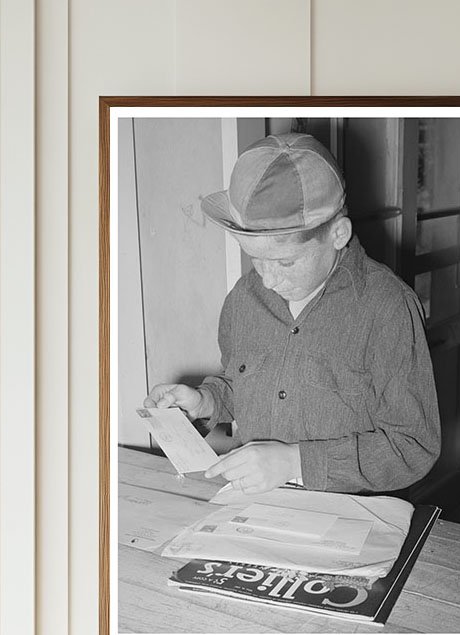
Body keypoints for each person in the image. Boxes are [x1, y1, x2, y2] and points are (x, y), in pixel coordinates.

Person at [143, 132, 440, 496]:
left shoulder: (387, 308)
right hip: (258, 508)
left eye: (285, 262)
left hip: (351, 518)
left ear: (338, 234)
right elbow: (245, 384)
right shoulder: (243, 299)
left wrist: (294, 462)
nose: (267, 281)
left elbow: (414, 445)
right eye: (255, 259)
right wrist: (205, 401)